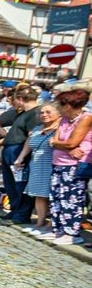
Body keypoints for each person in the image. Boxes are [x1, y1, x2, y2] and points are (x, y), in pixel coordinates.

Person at [45, 84, 92, 245]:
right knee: (56, 196)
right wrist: (59, 144)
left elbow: (72, 143)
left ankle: (72, 232)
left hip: (75, 165)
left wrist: (59, 144)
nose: (59, 108)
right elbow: (54, 140)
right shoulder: (64, 119)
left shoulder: (85, 118)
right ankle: (58, 229)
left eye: (61, 105)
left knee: (71, 198)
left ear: (70, 105)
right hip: (58, 162)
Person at [0, 85, 40, 225]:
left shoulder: (35, 113)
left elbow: (31, 136)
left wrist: (21, 156)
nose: (13, 103)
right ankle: (15, 210)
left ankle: (22, 214)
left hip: (20, 151)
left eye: (14, 100)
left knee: (20, 184)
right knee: (10, 185)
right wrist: (1, 150)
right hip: (10, 150)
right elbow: (12, 134)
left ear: (20, 99)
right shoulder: (22, 113)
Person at [14, 103, 59, 237]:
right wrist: (20, 157)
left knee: (52, 196)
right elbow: (29, 143)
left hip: (51, 164)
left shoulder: (60, 128)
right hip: (36, 164)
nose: (44, 115)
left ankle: (51, 225)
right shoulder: (37, 128)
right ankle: (39, 223)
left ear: (58, 113)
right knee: (39, 195)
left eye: (48, 112)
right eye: (42, 112)